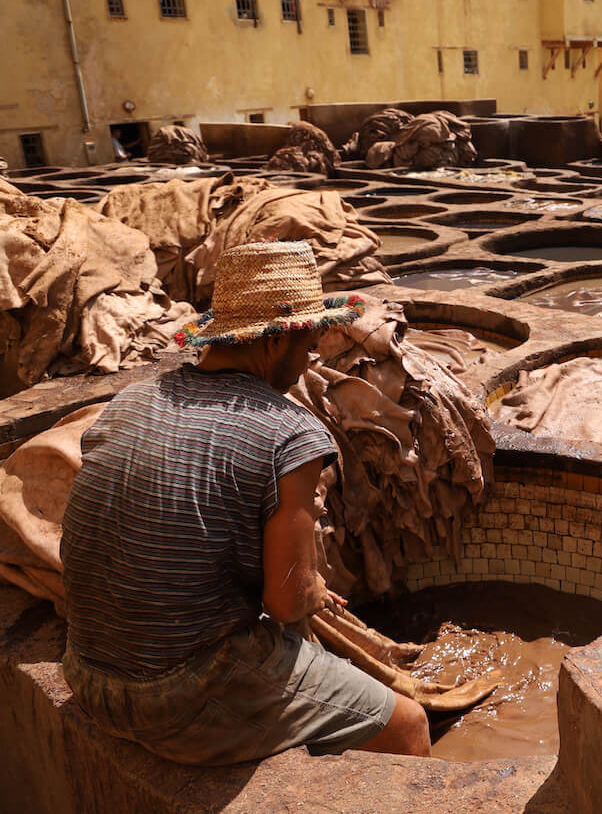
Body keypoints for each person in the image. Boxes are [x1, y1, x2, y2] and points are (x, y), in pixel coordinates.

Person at [60, 240, 431, 766]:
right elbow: (284, 601)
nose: (312, 358)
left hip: (84, 672)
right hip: (173, 697)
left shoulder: (131, 401)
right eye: (309, 342)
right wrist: (314, 587)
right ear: (278, 341)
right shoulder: (288, 430)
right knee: (408, 723)